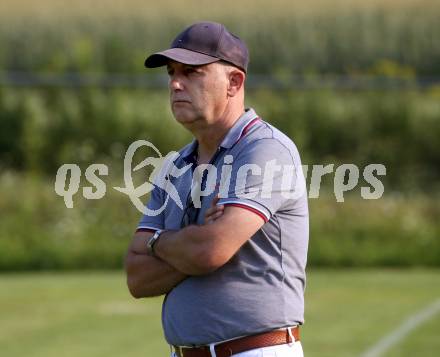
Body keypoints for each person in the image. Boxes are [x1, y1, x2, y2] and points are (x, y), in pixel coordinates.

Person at [124, 22, 309, 357]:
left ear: (234, 82)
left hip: (254, 351)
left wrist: (161, 243)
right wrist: (196, 242)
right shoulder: (174, 166)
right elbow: (137, 277)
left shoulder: (265, 150)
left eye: (192, 72)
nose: (176, 83)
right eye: (171, 72)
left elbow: (208, 251)